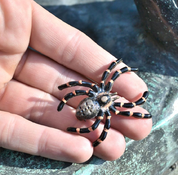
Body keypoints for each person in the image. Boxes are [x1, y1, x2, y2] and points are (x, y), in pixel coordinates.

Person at [0, 0, 152, 163]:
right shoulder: (103, 102)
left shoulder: (97, 93)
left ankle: (77, 128)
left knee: (94, 112)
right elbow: (105, 78)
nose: (111, 94)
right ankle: (77, 129)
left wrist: (65, 98)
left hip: (92, 106)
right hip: (92, 107)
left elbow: (80, 89)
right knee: (100, 121)